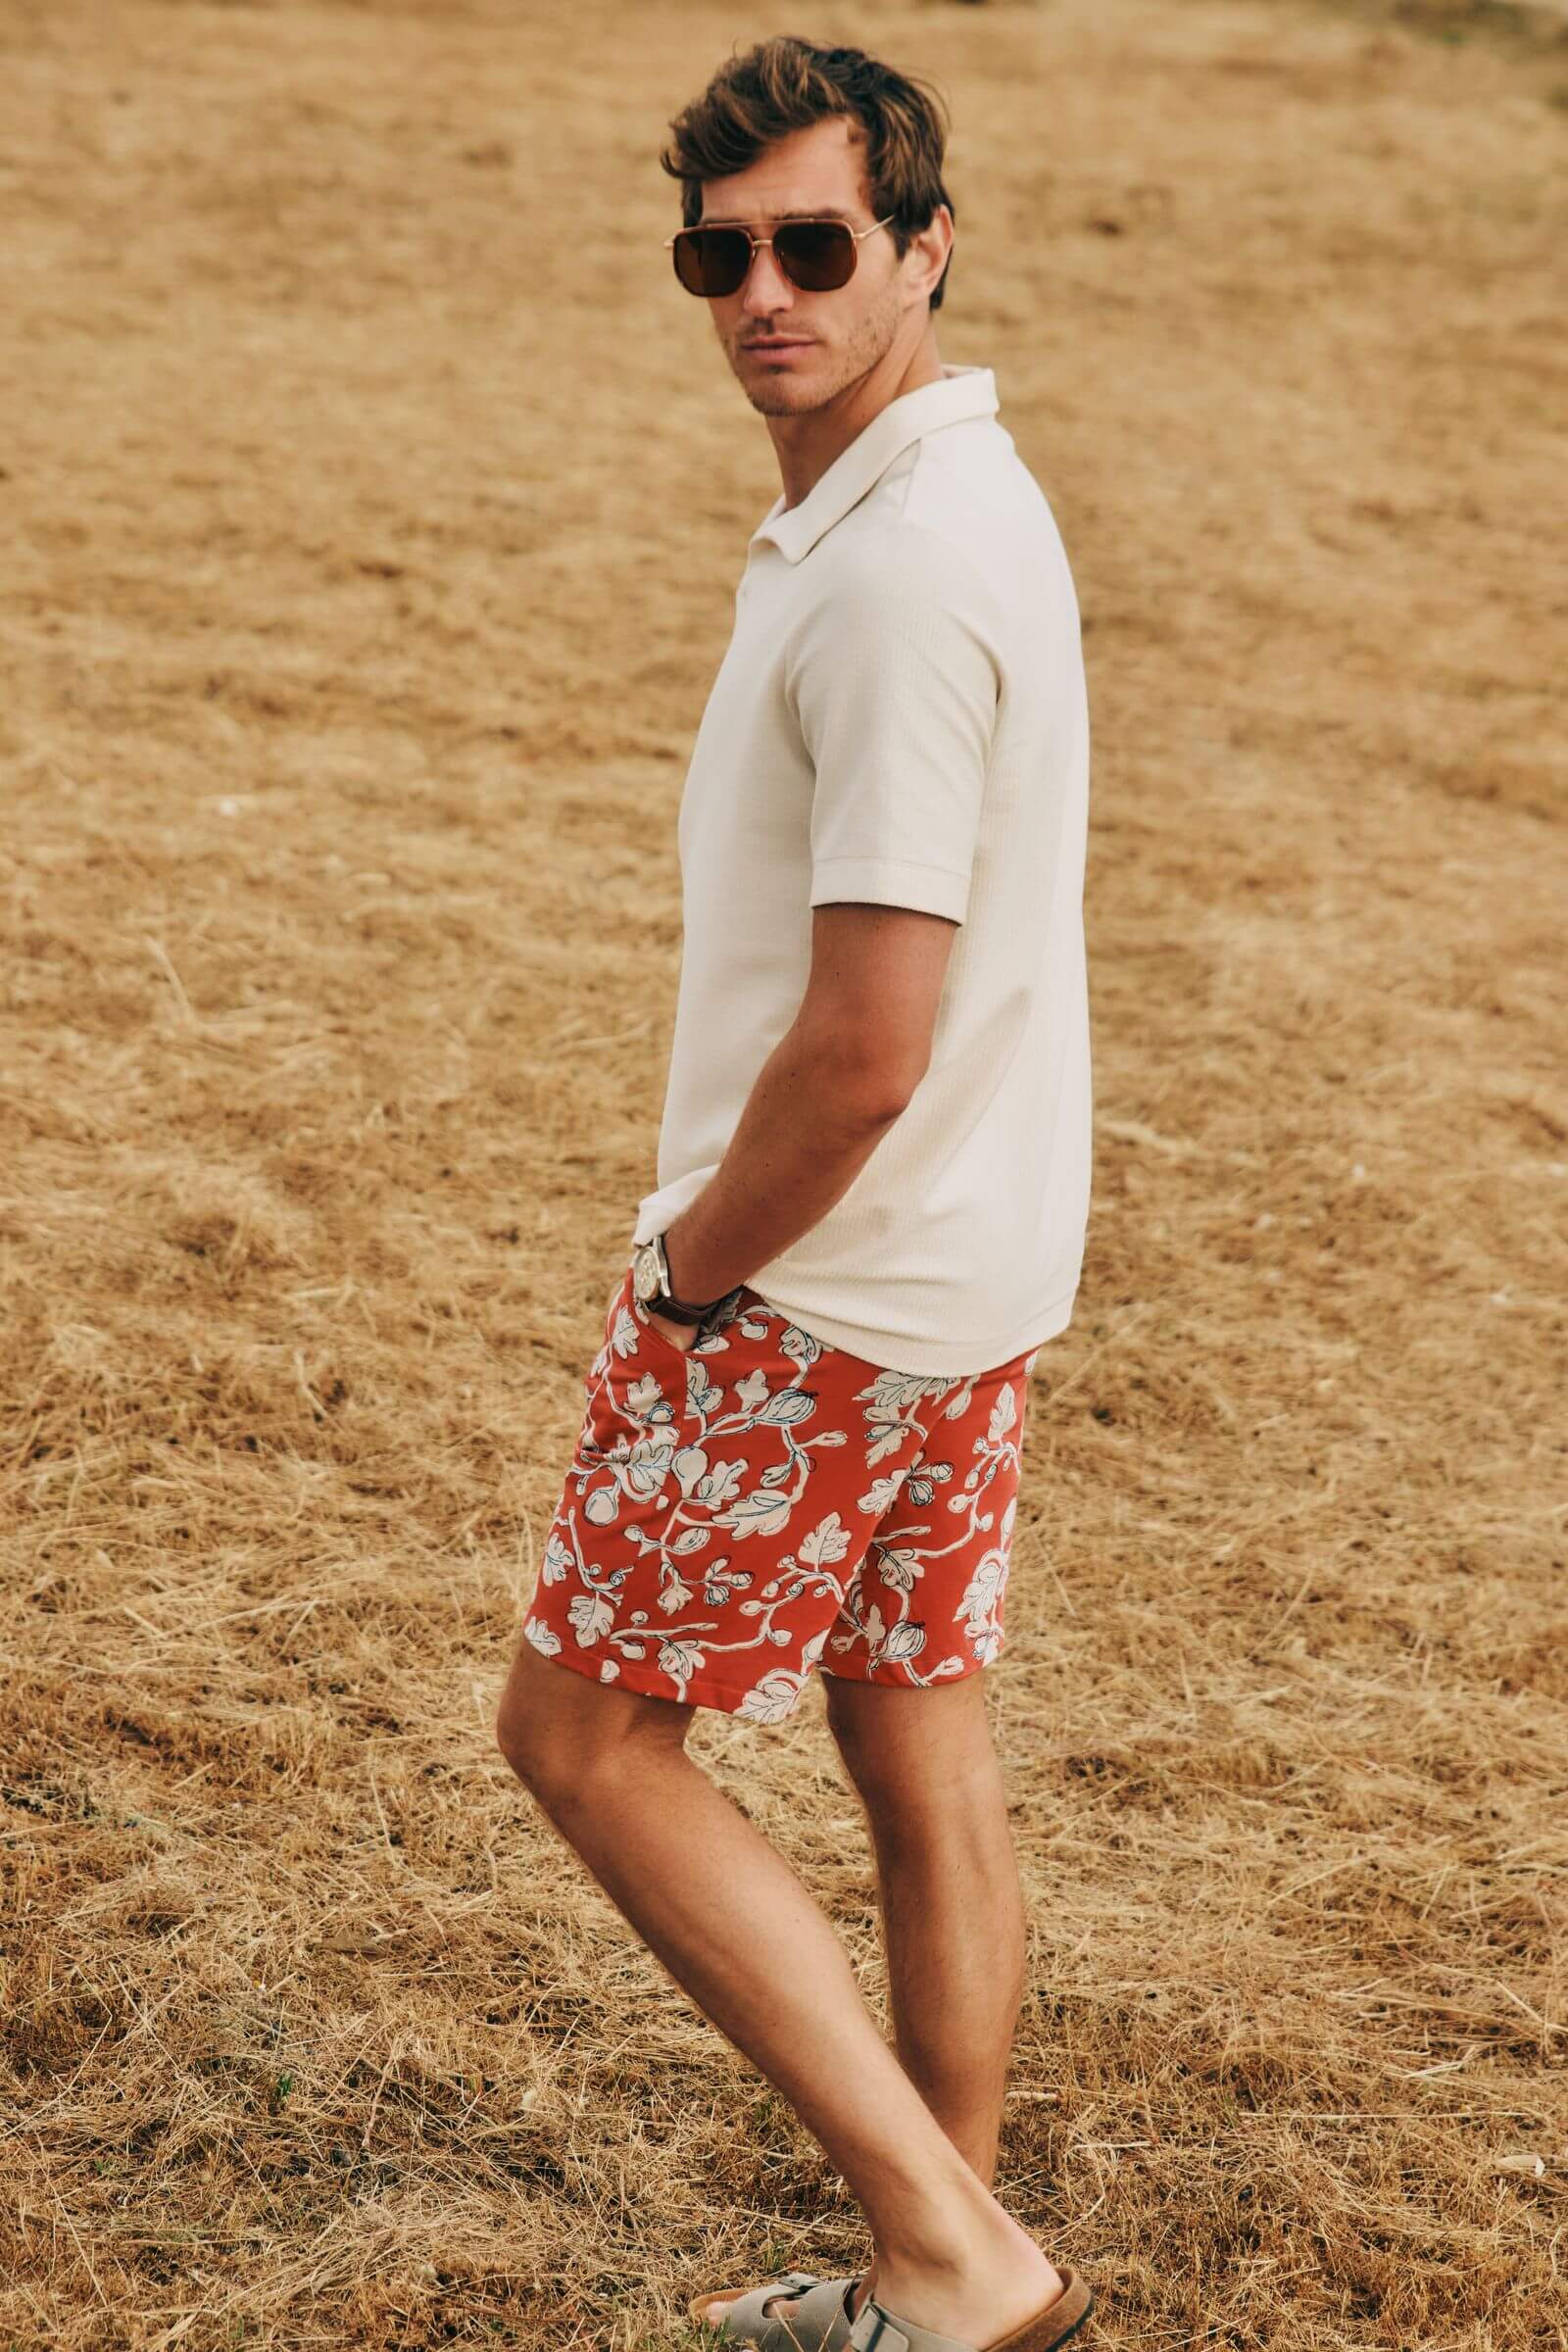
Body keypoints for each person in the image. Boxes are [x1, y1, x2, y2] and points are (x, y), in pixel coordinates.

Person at [495, 34, 1095, 2352]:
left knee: (580, 1740)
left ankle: (948, 2250)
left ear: (923, 248)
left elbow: (860, 1046)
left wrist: (688, 1276)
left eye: (815, 245)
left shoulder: (893, 579)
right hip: (970, 1262)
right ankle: (940, 2273)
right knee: (913, 1739)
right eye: (718, 256)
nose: (762, 294)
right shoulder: (952, 496)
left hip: (819, 1287)